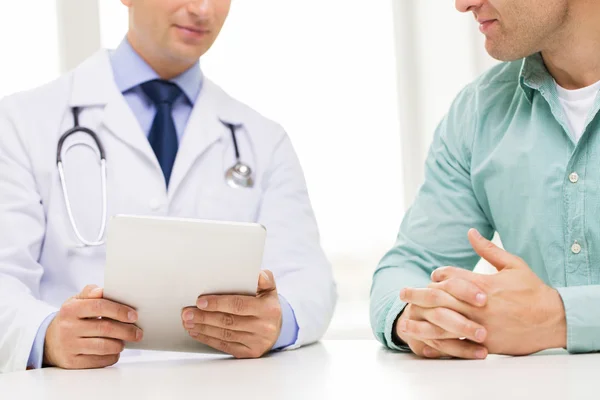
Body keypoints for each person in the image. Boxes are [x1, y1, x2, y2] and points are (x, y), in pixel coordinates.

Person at [0, 0, 336, 373]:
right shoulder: (21, 123)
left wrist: (278, 321)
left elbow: (310, 278)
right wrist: (46, 335)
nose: (202, 10)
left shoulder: (262, 139)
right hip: (79, 388)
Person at [370, 0, 600, 359]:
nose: (463, 4)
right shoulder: (480, 110)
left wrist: (558, 319)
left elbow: (550, 320)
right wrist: (417, 318)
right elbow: (409, 266)